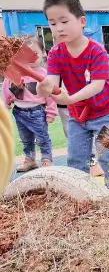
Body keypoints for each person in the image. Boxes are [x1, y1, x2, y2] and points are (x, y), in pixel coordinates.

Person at [37, 0, 109, 196]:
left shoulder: (97, 51)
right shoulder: (56, 53)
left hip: (105, 112)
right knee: (76, 156)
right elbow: (52, 81)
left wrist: (71, 99)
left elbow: (97, 85)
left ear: (82, 21)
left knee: (107, 153)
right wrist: (44, 88)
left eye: (64, 21)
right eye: (52, 23)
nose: (58, 28)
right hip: (78, 115)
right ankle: (79, 192)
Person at [2, 36, 57, 171]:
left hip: (37, 112)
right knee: (25, 139)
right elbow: (6, 87)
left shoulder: (44, 75)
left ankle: (46, 158)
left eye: (35, 54)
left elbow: (50, 96)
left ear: (44, 53)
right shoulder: (15, 73)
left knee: (42, 137)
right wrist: (6, 103)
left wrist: (51, 112)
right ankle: (30, 159)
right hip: (19, 112)